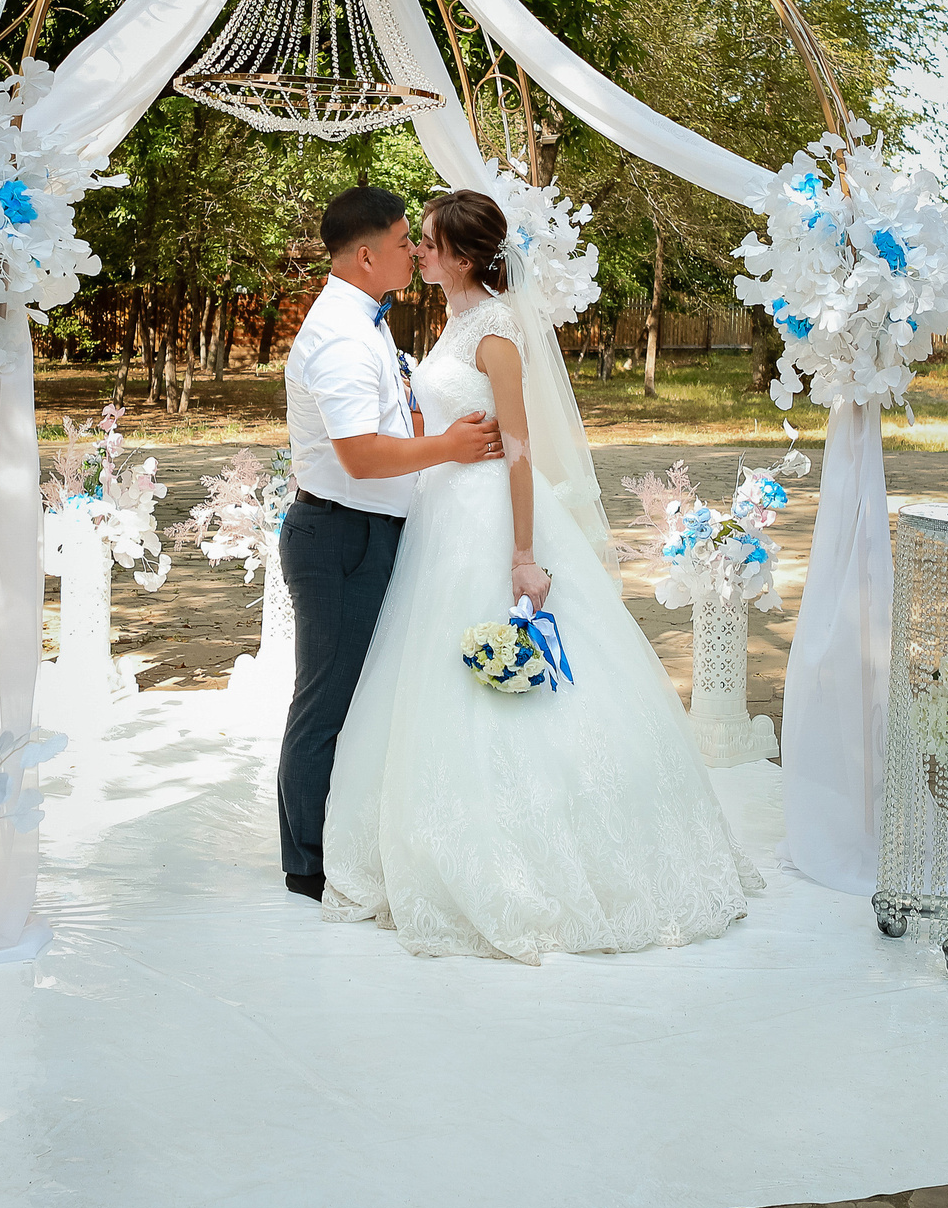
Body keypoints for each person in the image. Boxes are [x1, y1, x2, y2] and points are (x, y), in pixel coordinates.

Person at [321, 189, 760, 961]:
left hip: (488, 518)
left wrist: (524, 554)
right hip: (442, 516)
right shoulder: (453, 322)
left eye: (425, 242)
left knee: (511, 686)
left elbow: (519, 450)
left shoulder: (495, 331)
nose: (416, 251)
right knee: (433, 677)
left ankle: (542, 858)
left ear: (459, 255)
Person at [277, 187, 504, 903]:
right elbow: (361, 457)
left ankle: (341, 838)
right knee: (328, 701)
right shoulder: (342, 335)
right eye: (406, 240)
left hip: (368, 528)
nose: (415, 249)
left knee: (362, 697)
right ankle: (308, 864)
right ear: (367, 254)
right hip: (340, 532)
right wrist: (450, 445)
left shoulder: (364, 319)